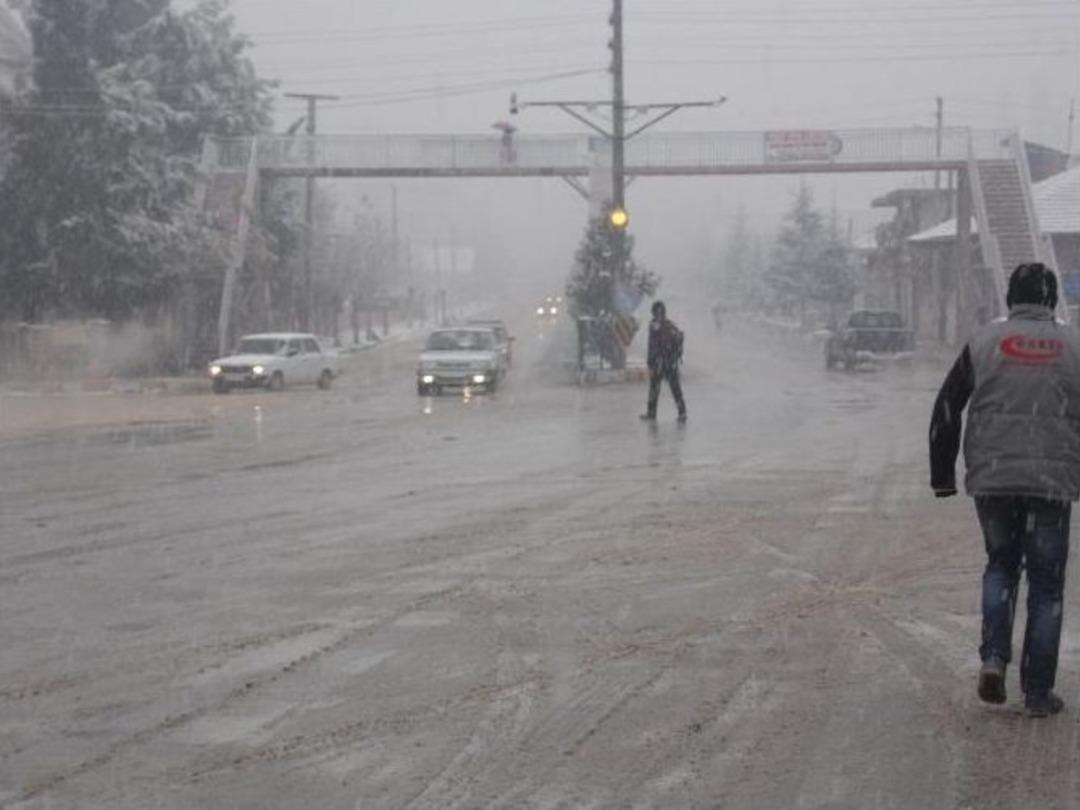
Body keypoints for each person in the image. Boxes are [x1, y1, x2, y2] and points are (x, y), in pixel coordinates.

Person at [930, 263, 1080, 718]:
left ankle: (994, 657)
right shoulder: (1074, 346)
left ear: (1011, 298)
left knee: (1001, 566)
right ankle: (1037, 692)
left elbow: (948, 406)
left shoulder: (984, 341)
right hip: (1052, 482)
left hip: (994, 479)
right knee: (1047, 586)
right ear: (1051, 299)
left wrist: (942, 474)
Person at [641, 300, 687, 423]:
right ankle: (682, 412)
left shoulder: (654, 325)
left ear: (653, 312)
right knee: (675, 388)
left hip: (658, 362)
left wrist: (650, 363)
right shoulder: (670, 325)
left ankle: (651, 413)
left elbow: (652, 346)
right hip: (671, 362)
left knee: (654, 389)